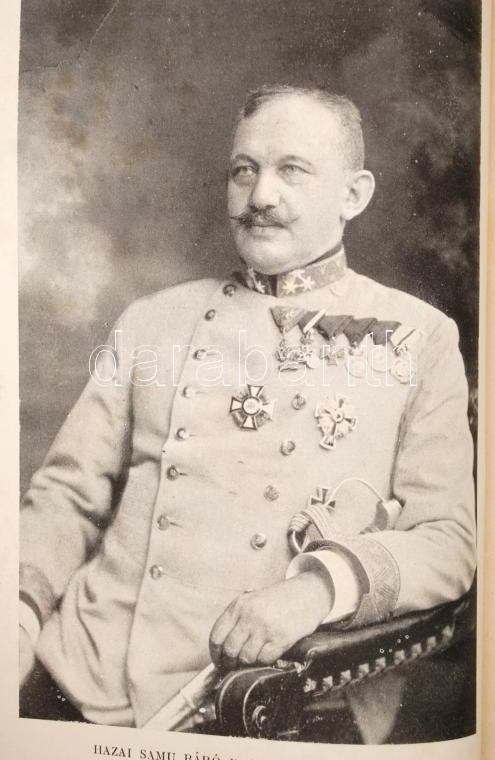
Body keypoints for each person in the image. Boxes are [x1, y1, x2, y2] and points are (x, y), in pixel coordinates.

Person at [19, 85, 476, 741]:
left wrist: (317, 589)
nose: (260, 195)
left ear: (353, 194)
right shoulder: (152, 320)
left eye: (292, 170)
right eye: (244, 170)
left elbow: (448, 539)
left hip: (266, 699)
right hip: (76, 672)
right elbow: (66, 496)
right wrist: (18, 615)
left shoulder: (418, 337)